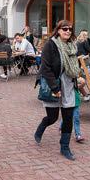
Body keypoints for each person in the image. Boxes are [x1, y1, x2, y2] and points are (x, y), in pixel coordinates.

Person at [34, 20, 80, 161]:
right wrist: (54, 88)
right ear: (58, 30)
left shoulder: (72, 46)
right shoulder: (51, 45)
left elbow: (75, 66)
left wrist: (79, 76)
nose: (67, 31)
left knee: (68, 118)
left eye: (70, 29)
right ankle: (42, 126)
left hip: (69, 85)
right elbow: (45, 68)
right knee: (53, 117)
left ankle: (64, 147)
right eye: (64, 29)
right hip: (54, 84)